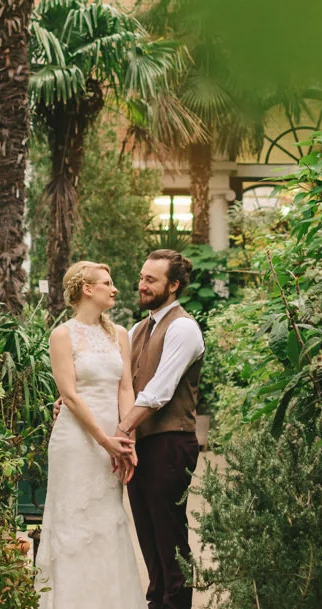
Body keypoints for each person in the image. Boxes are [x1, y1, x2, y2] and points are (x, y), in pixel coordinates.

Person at [36, 261, 147, 609]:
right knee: (72, 519)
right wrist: (104, 440)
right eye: (107, 283)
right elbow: (68, 395)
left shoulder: (121, 335)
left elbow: (126, 387)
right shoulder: (62, 335)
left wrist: (125, 438)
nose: (114, 289)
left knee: (107, 519)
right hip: (76, 442)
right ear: (87, 289)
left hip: (112, 440)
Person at [116, 249, 205, 609]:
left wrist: (121, 430)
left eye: (150, 280)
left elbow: (158, 391)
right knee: (149, 537)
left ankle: (177, 605)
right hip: (142, 444)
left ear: (173, 285)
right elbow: (122, 386)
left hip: (171, 443)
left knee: (169, 537)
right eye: (141, 277)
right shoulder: (139, 329)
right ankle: (157, 604)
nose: (142, 285)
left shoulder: (183, 327)